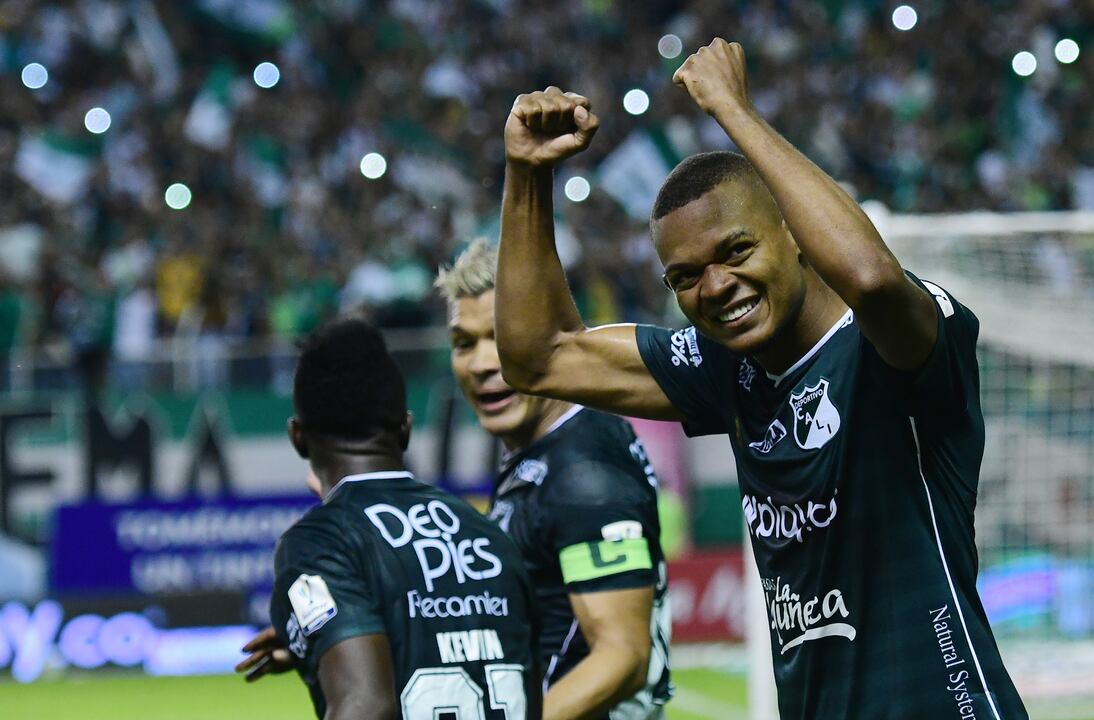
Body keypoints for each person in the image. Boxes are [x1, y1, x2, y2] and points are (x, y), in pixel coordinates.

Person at [494, 39, 1027, 719]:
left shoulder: (900, 344)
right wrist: (525, 174)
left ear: (794, 231)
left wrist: (733, 110)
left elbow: (870, 277)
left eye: (736, 250)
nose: (715, 286)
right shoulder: (727, 369)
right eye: (684, 277)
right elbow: (539, 357)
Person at [240, 318, 541, 719]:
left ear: (298, 437)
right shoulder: (487, 534)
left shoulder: (320, 542)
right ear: (405, 429)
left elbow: (365, 705)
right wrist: (318, 642)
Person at [436, 239, 673, 719]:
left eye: (501, 338)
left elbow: (622, 658)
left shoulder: (583, 469)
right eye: (465, 343)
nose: (483, 364)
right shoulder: (540, 456)